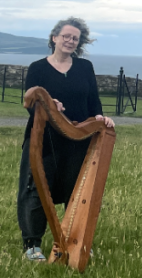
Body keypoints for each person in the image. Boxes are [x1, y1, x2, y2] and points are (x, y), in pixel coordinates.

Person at [17, 17, 115, 262]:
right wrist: (49, 106)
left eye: (75, 38)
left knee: (76, 189)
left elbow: (93, 101)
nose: (70, 41)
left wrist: (101, 119)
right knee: (37, 188)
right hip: (44, 138)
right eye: (66, 36)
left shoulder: (84, 68)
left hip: (77, 140)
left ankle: (76, 241)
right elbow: (30, 103)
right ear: (54, 38)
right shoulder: (38, 67)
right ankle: (32, 245)